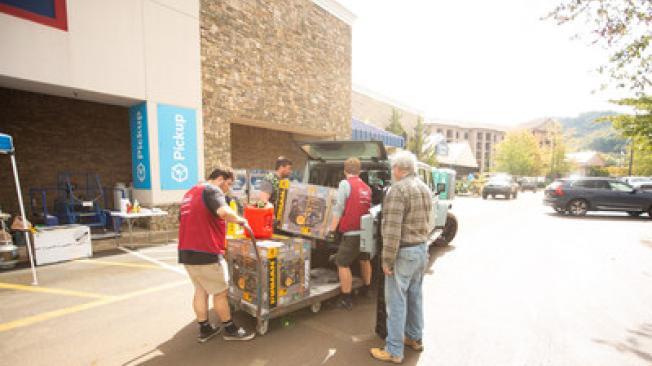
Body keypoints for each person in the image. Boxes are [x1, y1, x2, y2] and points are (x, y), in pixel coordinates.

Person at [178, 167, 256, 343]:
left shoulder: (190, 193)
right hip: (205, 252)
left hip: (186, 251)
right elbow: (223, 212)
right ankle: (230, 329)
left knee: (201, 289)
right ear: (220, 179)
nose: (227, 188)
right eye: (228, 184)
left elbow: (185, 219)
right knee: (221, 292)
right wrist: (242, 220)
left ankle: (205, 328)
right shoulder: (212, 190)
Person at [370, 151, 432, 364]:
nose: (392, 172)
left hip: (403, 253)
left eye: (393, 168)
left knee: (396, 302)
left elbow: (393, 229)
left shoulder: (397, 190)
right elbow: (429, 221)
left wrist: (387, 260)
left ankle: (394, 350)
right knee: (415, 297)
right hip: (420, 249)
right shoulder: (424, 188)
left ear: (399, 169)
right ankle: (415, 338)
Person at [329, 157, 373, 310]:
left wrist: (331, 229)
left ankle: (346, 299)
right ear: (359, 171)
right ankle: (367, 289)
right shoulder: (367, 187)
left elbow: (339, 207)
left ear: (344, 170)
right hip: (366, 232)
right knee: (364, 259)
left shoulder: (344, 183)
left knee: (341, 263)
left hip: (352, 233)